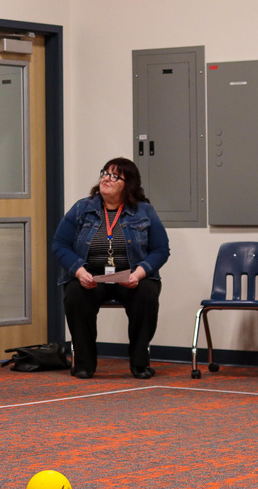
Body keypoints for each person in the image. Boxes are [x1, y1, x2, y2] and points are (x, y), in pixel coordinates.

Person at [52, 157, 169, 380]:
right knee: (76, 294)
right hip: (91, 276)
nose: (107, 178)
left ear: (129, 184)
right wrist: (78, 271)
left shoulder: (144, 211)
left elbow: (161, 250)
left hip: (131, 276)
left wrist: (139, 273)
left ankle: (140, 363)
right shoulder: (81, 209)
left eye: (115, 176)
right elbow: (60, 245)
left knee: (146, 293)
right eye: (105, 173)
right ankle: (84, 364)